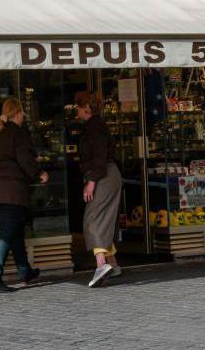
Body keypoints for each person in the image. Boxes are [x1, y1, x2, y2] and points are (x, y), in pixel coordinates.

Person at [0, 98, 49, 293]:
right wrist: (39, 173)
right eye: (22, 114)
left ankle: (24, 271)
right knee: (6, 234)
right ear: (18, 114)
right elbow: (25, 159)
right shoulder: (17, 133)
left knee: (15, 231)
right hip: (11, 191)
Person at [75, 91, 123, 288]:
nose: (75, 110)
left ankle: (101, 265)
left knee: (92, 219)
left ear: (86, 108)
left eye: (77, 107)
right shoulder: (95, 125)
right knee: (104, 219)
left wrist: (92, 181)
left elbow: (99, 157)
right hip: (108, 175)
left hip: (103, 176)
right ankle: (114, 265)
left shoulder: (94, 127)